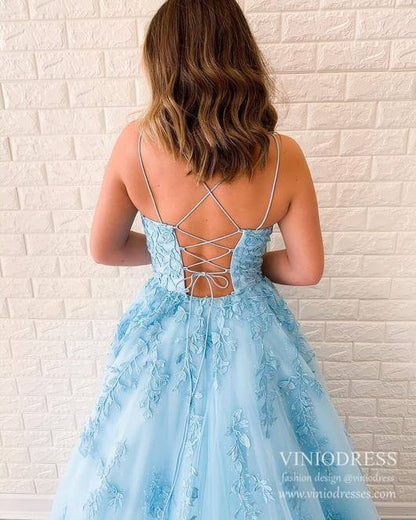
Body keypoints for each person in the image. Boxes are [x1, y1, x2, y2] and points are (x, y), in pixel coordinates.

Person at [48, 1, 380, 519]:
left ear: (162, 62)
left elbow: (105, 248)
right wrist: (243, 263)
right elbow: (306, 269)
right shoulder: (283, 155)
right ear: (241, 55)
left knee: (134, 455)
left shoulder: (135, 144)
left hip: (161, 328)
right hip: (251, 328)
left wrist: (169, 258)